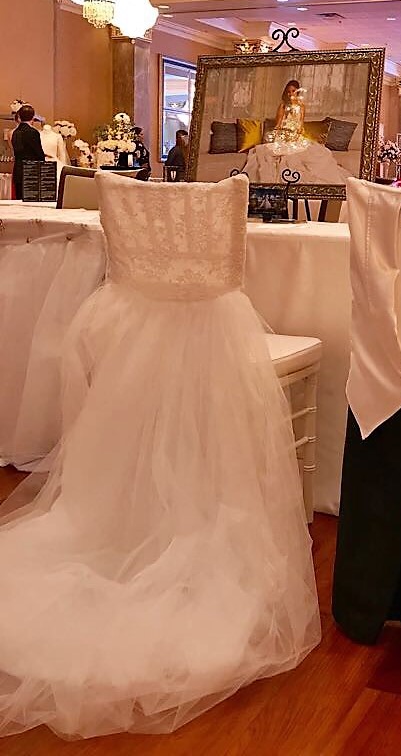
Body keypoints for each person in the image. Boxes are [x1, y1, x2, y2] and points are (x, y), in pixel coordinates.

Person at [0, 173, 320, 738]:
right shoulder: (232, 194)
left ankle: (134, 517)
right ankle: (187, 512)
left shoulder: (119, 196)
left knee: (106, 466)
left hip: (135, 334)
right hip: (214, 333)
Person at [242, 80, 353, 185]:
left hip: (296, 136)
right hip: (283, 135)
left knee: (315, 154)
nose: (291, 94)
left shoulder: (301, 106)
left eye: (293, 91)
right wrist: (279, 135)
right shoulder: (283, 106)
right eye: (288, 91)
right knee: (274, 155)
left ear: (297, 92)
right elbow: (278, 124)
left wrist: (297, 134)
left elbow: (300, 124)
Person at [11, 103, 45, 199]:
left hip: (18, 170)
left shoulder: (15, 132)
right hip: (31, 171)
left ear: (19, 117)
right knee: (31, 201)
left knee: (19, 200)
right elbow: (38, 153)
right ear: (33, 117)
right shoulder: (33, 132)